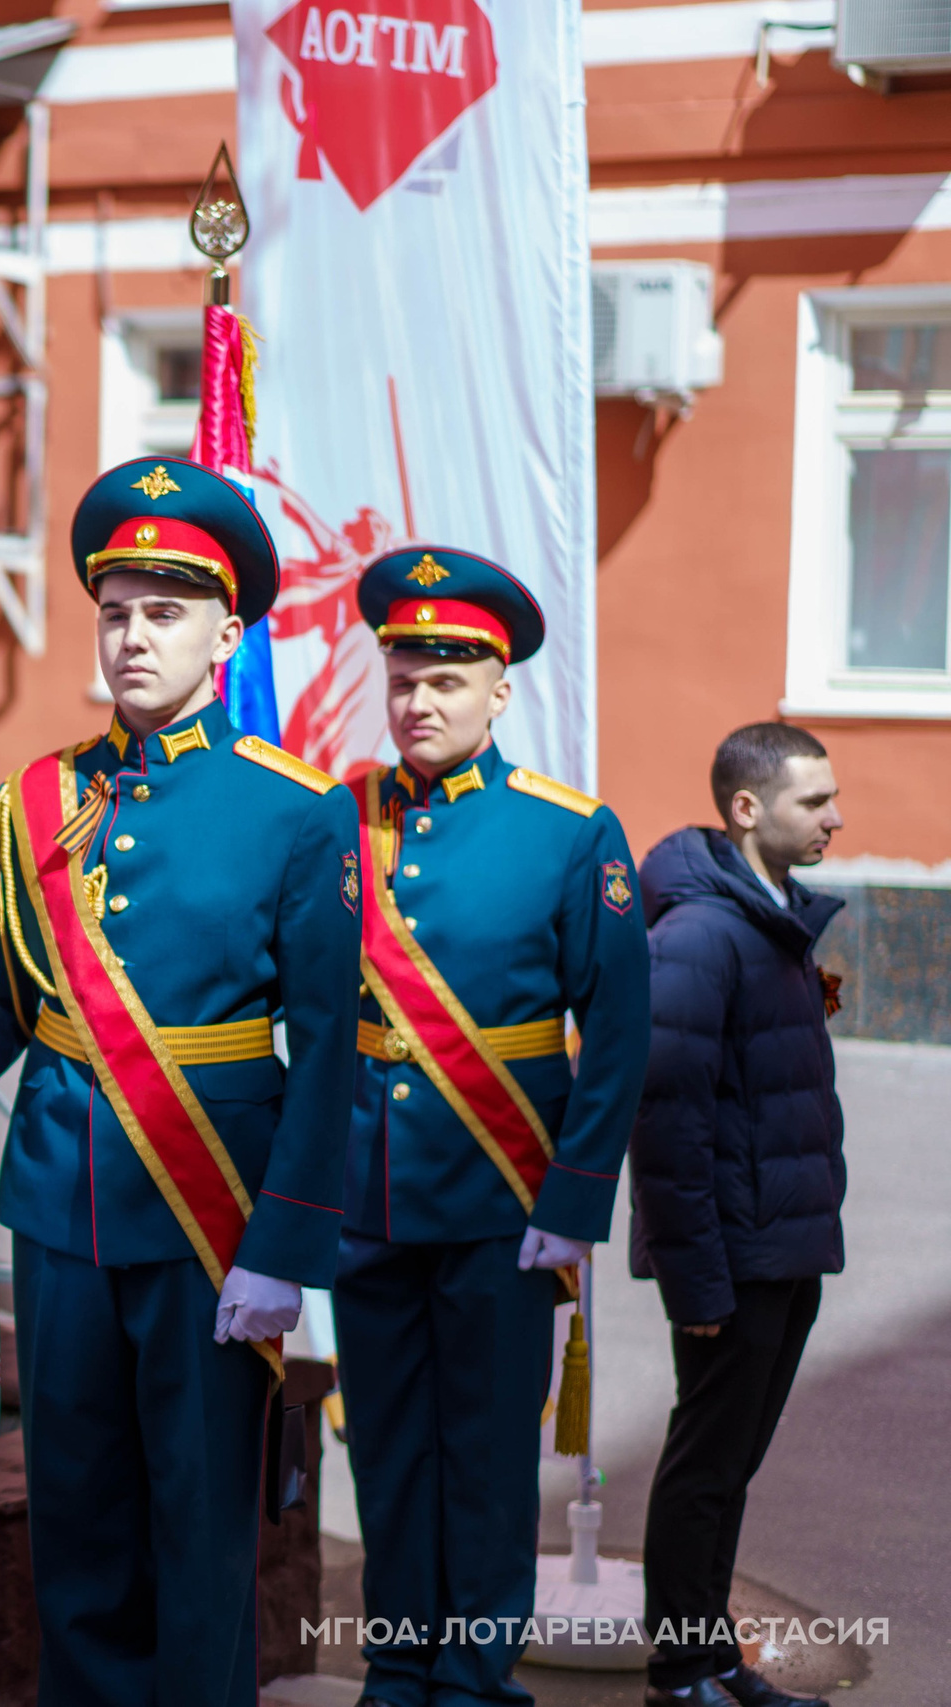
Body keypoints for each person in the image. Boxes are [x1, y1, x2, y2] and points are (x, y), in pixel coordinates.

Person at [0, 454, 359, 1707]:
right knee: (78, 1527)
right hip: (58, 1216)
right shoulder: (35, 799)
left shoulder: (296, 811)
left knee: (199, 1536)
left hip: (212, 1224)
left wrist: (283, 1246)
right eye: (116, 610)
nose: (132, 637)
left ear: (226, 631)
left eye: (165, 611)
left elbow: (328, 1050)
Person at [328, 549, 651, 1707]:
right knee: (386, 1450)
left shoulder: (568, 833)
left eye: (447, 681)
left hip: (504, 1197)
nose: (419, 702)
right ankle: (397, 1663)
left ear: (498, 691)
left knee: (483, 1454)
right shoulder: (341, 817)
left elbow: (616, 1032)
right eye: (404, 678)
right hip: (367, 1195)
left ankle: (471, 1676)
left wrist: (573, 1204)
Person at [631, 723, 847, 1707]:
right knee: (704, 1473)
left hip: (781, 1244)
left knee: (728, 1471)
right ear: (747, 809)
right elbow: (666, 1124)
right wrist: (696, 1280)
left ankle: (714, 1661)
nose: (834, 818)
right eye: (813, 802)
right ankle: (682, 1672)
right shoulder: (698, 935)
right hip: (734, 1256)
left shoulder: (767, 921)